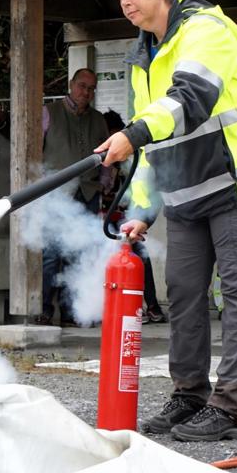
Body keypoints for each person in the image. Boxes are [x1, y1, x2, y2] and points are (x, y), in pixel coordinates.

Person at [96, 0, 237, 442]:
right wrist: (143, 209)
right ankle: (190, 396)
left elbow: (190, 99)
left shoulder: (206, 30)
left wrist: (131, 134)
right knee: (182, 295)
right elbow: (155, 148)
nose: (126, 3)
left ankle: (230, 410)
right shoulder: (142, 58)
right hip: (185, 194)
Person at [35, 68, 109, 327]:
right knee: (52, 255)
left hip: (88, 193)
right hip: (56, 195)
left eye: (90, 89)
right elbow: (33, 151)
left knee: (80, 255)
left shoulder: (99, 120)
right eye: (81, 86)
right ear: (70, 84)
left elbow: (108, 158)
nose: (85, 92)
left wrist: (104, 184)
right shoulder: (49, 112)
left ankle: (70, 311)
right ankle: (44, 309)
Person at [103, 109, 167, 324]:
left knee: (139, 256)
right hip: (104, 215)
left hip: (129, 216)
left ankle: (152, 306)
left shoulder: (137, 158)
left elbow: (144, 191)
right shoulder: (104, 159)